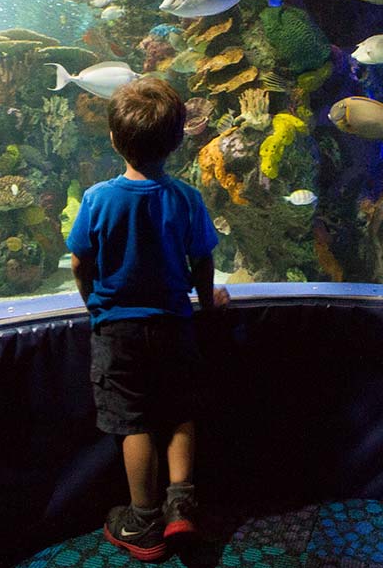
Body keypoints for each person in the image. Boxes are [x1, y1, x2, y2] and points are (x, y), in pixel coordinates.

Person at [67, 77, 230, 561]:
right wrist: (204, 301)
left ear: (113, 139)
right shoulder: (184, 197)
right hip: (175, 325)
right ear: (180, 141)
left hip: (117, 330)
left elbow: (80, 261)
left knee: (133, 421)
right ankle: (181, 503)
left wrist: (94, 303)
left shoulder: (97, 198)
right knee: (179, 411)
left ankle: (143, 521)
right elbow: (202, 260)